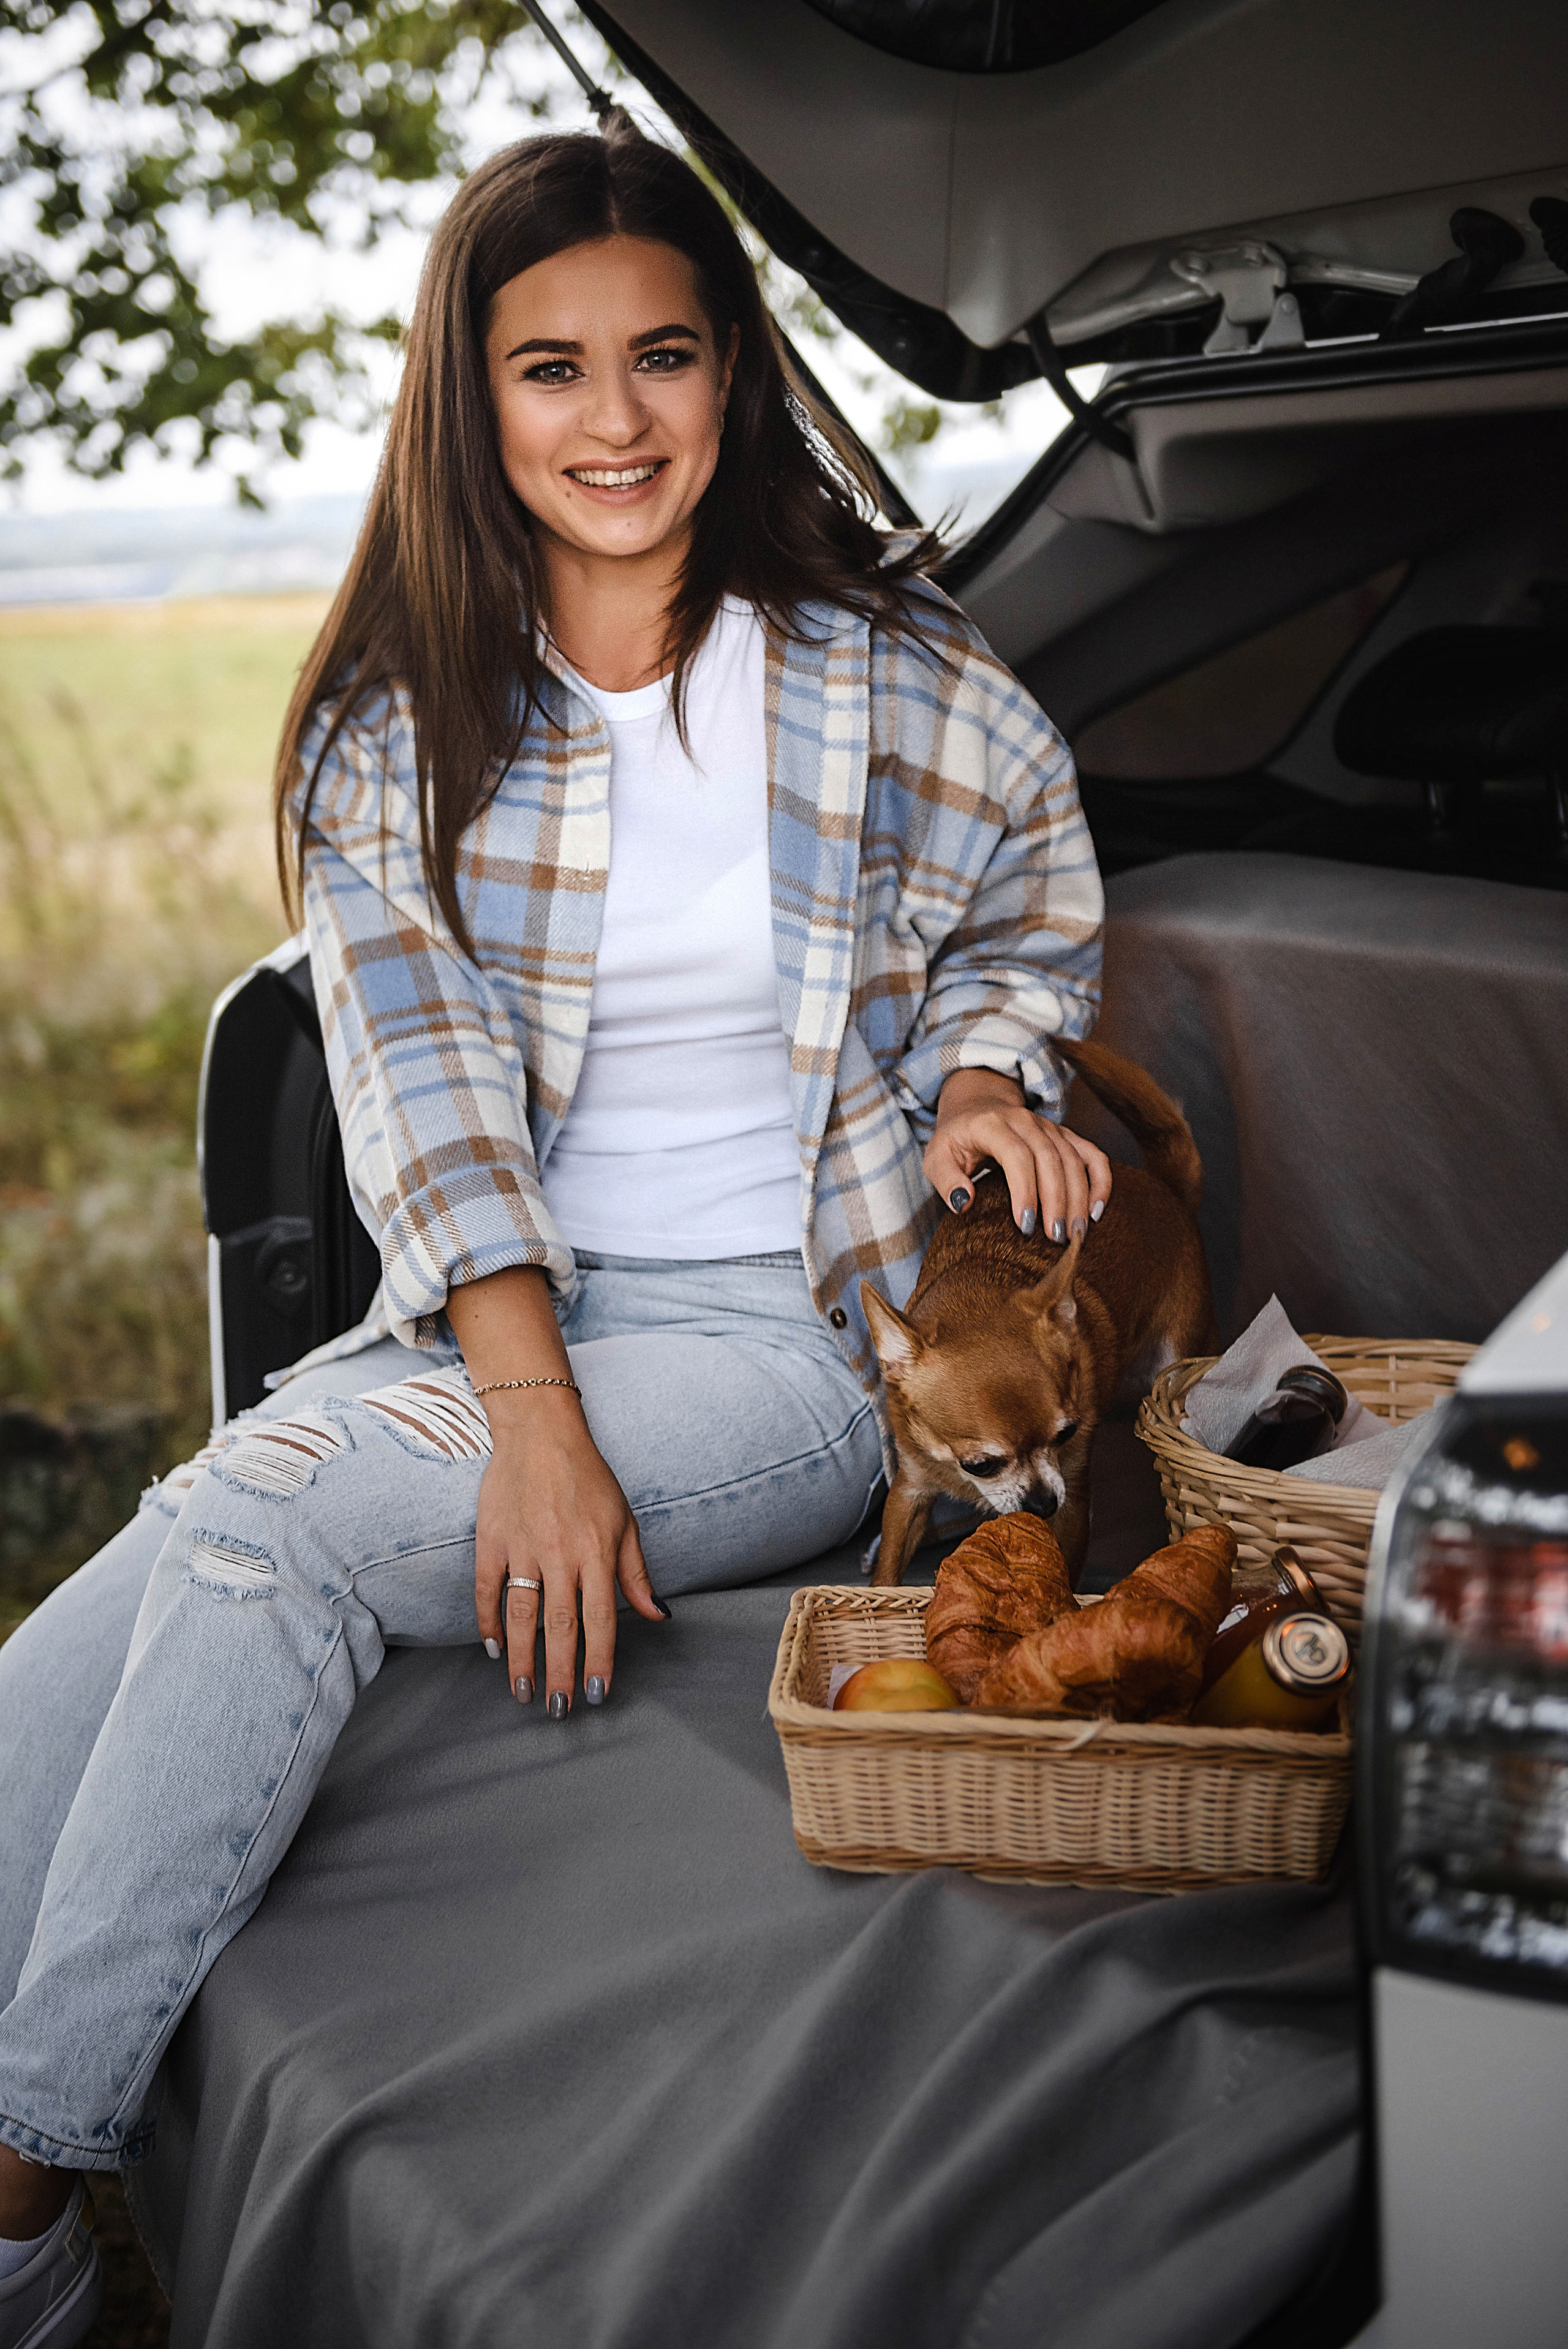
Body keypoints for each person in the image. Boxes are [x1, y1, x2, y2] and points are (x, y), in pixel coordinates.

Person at [0, 111, 1107, 2340]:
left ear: (733, 377)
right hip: (489, 1306)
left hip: (800, 1339)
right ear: (470, 395)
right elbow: (413, 1089)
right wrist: (523, 1407)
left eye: (666, 358)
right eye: (552, 369)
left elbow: (1027, 894)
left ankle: (20, 2196)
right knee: (101, 1635)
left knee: (281, 1522)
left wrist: (991, 1071)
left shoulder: (886, 665)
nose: (618, 421)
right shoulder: (403, 717)